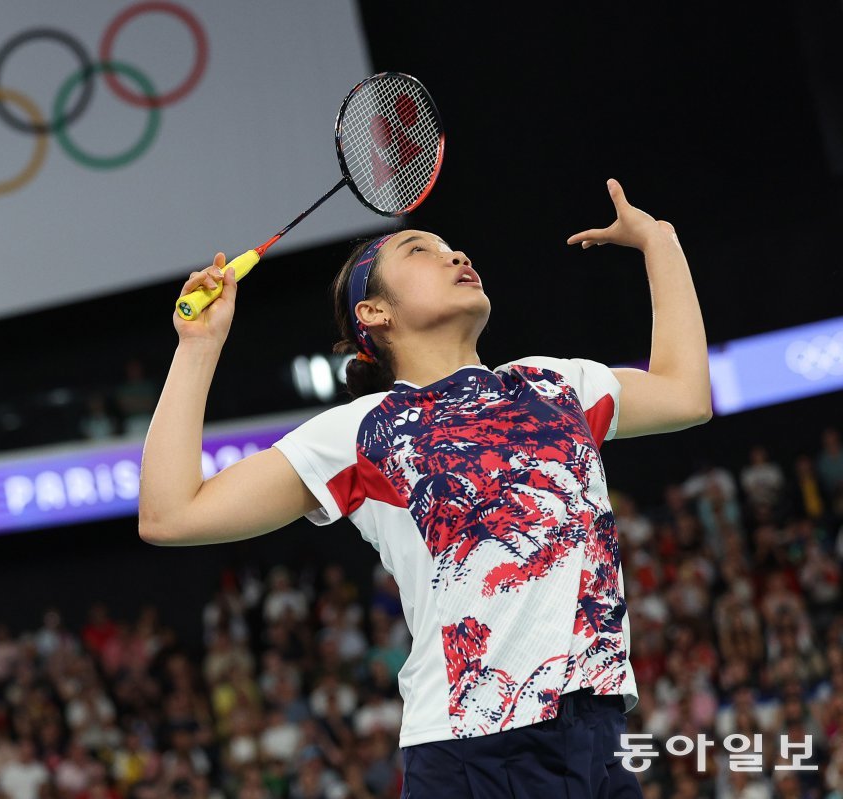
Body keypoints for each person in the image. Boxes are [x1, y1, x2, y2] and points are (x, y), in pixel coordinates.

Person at [139, 179, 712, 797]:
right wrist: (197, 346)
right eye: (421, 249)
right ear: (374, 313)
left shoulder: (555, 385)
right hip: (476, 744)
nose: (456, 256)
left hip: (598, 730)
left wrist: (661, 241)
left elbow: (686, 394)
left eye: (453, 247)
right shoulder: (363, 430)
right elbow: (171, 515)